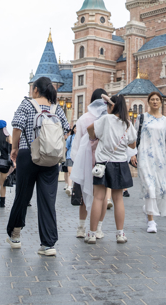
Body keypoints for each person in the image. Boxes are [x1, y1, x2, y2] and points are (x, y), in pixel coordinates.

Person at [6, 77, 71, 256]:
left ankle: (16, 235)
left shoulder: (27, 104)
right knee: (48, 199)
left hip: (28, 154)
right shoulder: (56, 108)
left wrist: (14, 148)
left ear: (35, 90)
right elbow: (66, 130)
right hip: (50, 157)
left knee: (23, 195)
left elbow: (17, 126)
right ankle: (48, 244)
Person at [86, 94, 135, 244]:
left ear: (112, 106)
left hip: (103, 163)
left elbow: (90, 128)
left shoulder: (106, 119)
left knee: (98, 198)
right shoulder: (127, 124)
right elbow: (132, 144)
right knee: (118, 199)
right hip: (120, 163)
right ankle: (120, 234)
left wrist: (94, 137)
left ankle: (92, 234)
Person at [130, 92, 166, 233]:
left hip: (160, 158)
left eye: (157, 99)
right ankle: (151, 221)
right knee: (149, 187)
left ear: (161, 102)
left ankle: (149, 210)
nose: (155, 102)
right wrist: (133, 154)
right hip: (144, 156)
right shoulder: (142, 118)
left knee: (161, 188)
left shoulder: (165, 121)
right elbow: (134, 137)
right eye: (152, 99)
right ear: (148, 102)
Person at [71, 89, 110, 240]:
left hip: (85, 160)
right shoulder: (109, 118)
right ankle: (98, 228)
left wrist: (75, 162)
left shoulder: (83, 118)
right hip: (104, 160)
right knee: (102, 196)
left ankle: (81, 227)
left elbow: (77, 142)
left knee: (84, 194)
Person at [0, 120, 13, 210]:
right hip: (5, 164)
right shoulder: (8, 137)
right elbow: (11, 150)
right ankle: (2, 203)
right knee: (3, 184)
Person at [63, 127, 75, 195]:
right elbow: (66, 148)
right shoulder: (70, 138)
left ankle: (75, 188)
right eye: (75, 128)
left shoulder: (81, 137)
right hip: (69, 157)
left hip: (78, 158)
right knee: (70, 172)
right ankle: (69, 187)